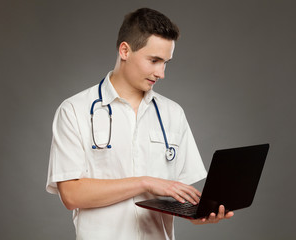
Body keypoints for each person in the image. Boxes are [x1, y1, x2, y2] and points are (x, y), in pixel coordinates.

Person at [46, 7, 233, 239]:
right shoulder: (75, 110)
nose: (161, 73)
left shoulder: (173, 113)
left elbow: (178, 195)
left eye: (166, 62)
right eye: (154, 60)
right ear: (125, 50)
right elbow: (71, 195)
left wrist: (201, 212)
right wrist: (145, 183)